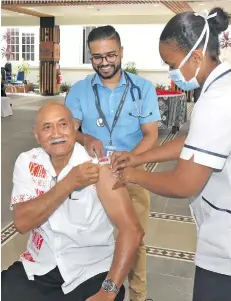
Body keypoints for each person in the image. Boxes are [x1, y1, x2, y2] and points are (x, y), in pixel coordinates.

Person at [111, 8, 231, 301]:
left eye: (171, 64)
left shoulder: (221, 100)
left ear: (195, 58)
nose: (171, 73)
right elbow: (193, 141)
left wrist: (132, 175)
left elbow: (185, 183)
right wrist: (139, 157)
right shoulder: (220, 88)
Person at [1, 102, 144, 301]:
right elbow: (22, 222)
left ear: (75, 128)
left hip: (91, 271)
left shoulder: (99, 167)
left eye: (63, 124)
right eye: (47, 127)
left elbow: (132, 230)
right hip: (40, 266)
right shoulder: (28, 162)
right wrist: (69, 183)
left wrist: (108, 291)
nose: (56, 133)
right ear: (37, 136)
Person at [65, 25, 161, 301]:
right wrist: (84, 138)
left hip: (130, 174)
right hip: (91, 175)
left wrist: (132, 161)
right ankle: (100, 291)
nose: (104, 62)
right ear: (90, 57)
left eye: (110, 55)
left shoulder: (142, 89)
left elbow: (151, 134)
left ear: (121, 53)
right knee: (92, 237)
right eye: (97, 57)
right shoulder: (80, 90)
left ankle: (138, 296)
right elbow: (69, 130)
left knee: (135, 238)